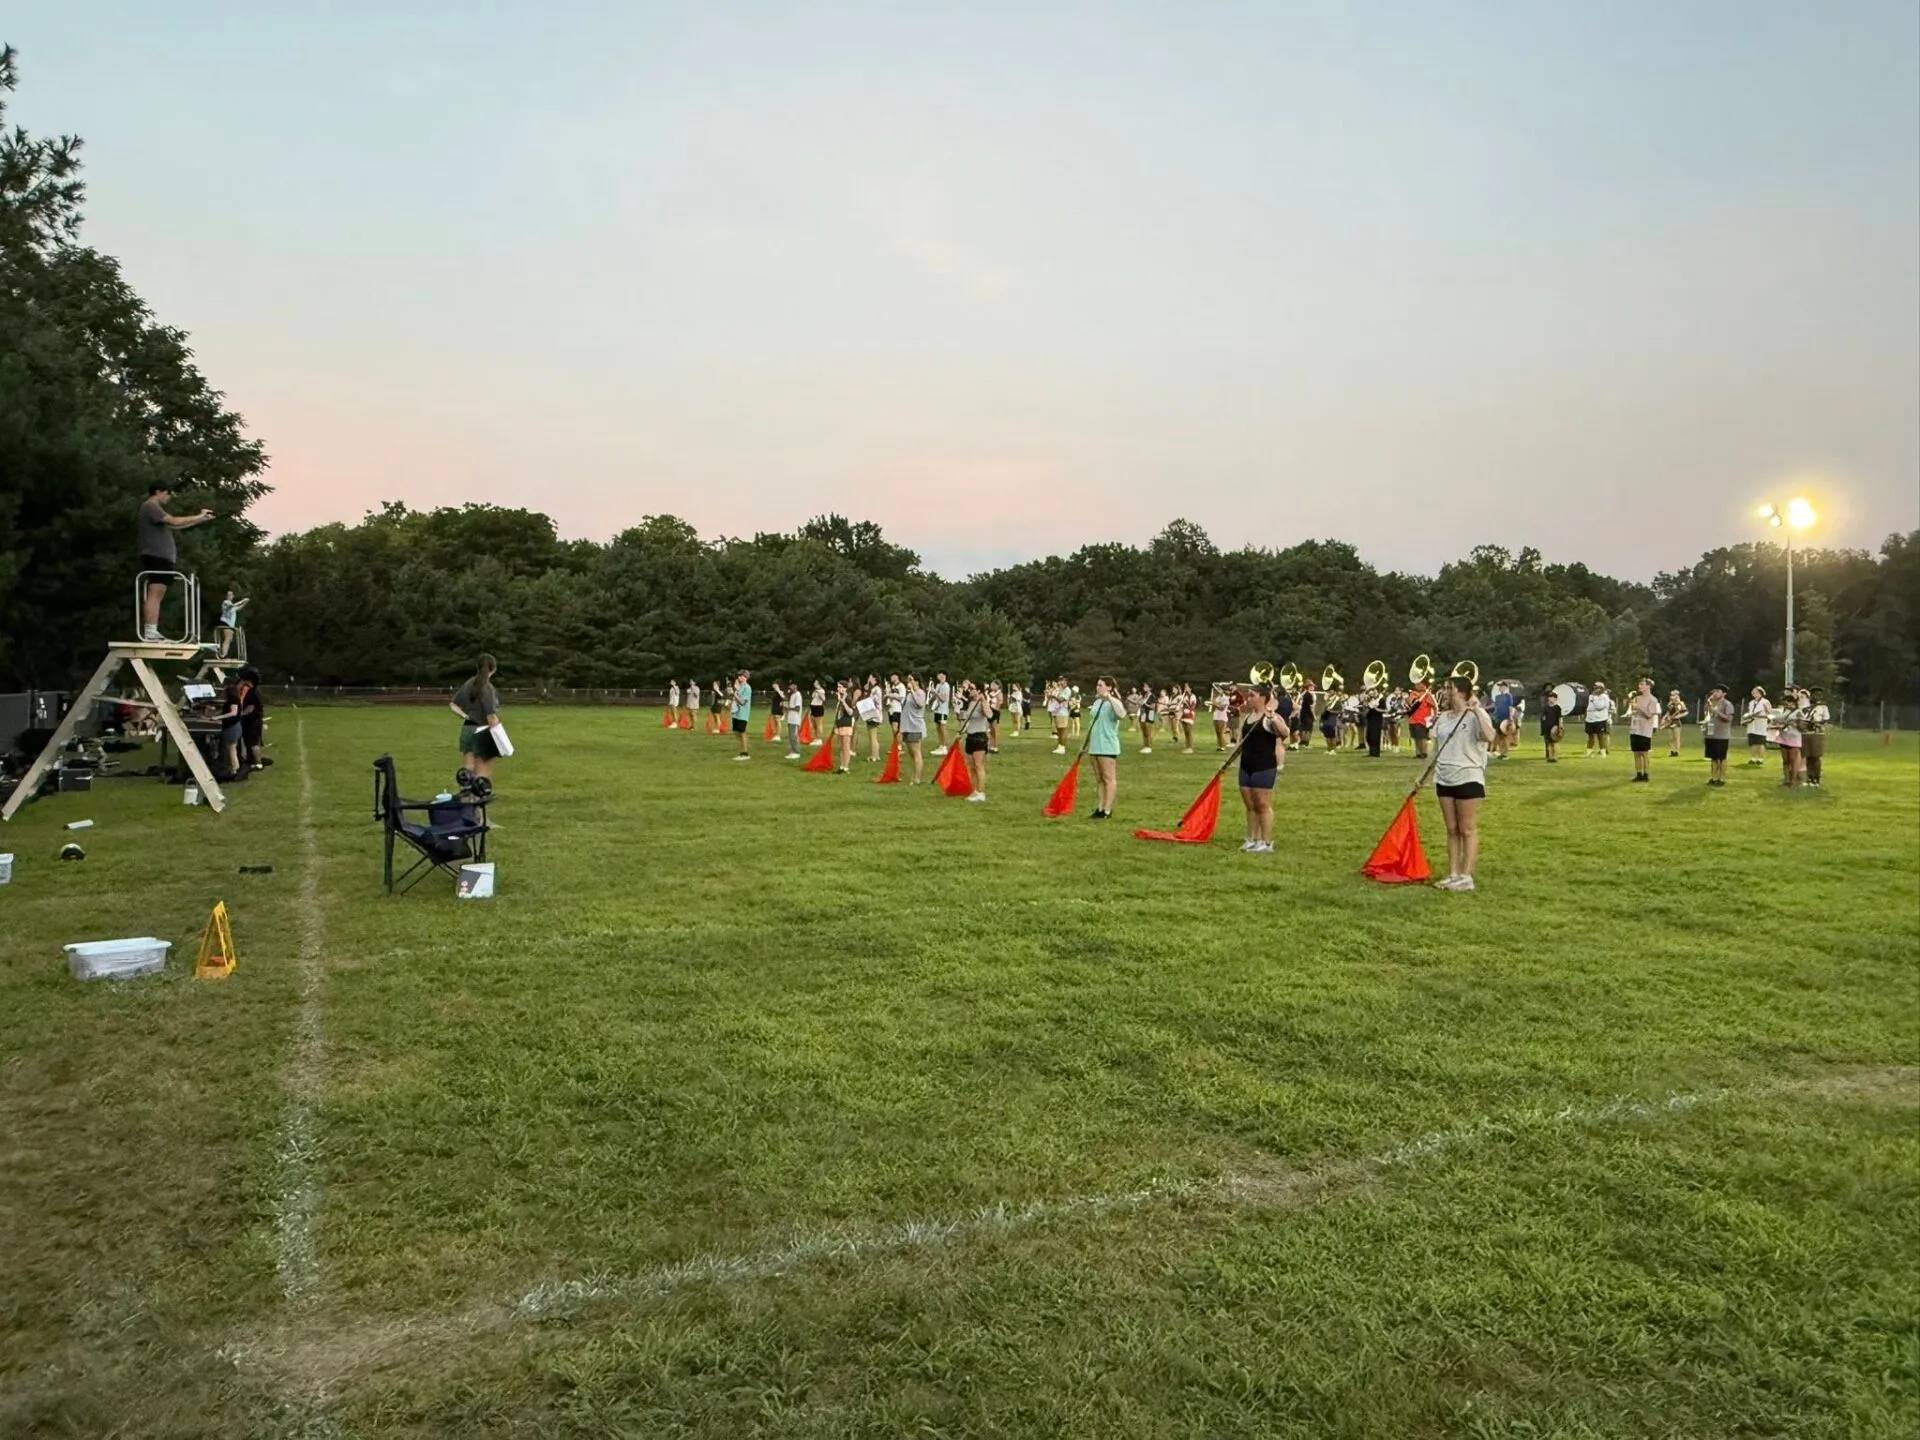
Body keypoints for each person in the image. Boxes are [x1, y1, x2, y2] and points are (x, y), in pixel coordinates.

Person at [1430, 674, 1494, 892]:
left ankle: (1466, 876)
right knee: (1451, 828)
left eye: (1450, 688)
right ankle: (1453, 873)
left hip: (1468, 776)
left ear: (1463, 692)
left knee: (1466, 828)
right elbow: (1436, 748)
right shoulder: (1443, 717)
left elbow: (1490, 736)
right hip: (1444, 776)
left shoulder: (1476, 715)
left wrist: (1476, 710)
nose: (1446, 692)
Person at [137, 482, 214, 642]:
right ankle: (150, 631)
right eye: (168, 494)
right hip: (156, 555)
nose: (169, 498)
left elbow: (175, 527)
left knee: (159, 593)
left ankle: (152, 630)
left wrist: (200, 520)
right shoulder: (151, 506)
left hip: (162, 557)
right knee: (155, 592)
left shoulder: (157, 511)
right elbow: (174, 521)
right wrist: (199, 515)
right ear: (158, 491)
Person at [1236, 683, 1290, 853]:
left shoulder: (1270, 717)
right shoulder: (1247, 717)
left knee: (1262, 804)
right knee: (1250, 805)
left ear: (1261, 697)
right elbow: (1240, 742)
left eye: (1252, 695)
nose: (1249, 698)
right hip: (1246, 765)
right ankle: (1252, 838)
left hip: (1264, 766)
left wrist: (1274, 719)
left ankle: (1266, 842)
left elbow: (1285, 732)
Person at [450, 654, 503, 782]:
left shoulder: (469, 683)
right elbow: (490, 717)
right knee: (482, 775)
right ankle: (478, 801)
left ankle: (466, 800)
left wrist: (466, 716)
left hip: (468, 728)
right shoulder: (488, 688)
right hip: (483, 730)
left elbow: (453, 705)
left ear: (477, 667)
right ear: (494, 669)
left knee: (467, 772)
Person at [1086, 677, 1122, 819]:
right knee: (1099, 779)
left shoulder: (1114, 702)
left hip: (1107, 745)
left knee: (1109, 778)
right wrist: (1086, 743)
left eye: (1101, 685)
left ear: (1109, 688)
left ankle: (1107, 809)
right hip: (1094, 744)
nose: (1097, 687)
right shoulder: (1096, 702)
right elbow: (1092, 723)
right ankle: (1100, 808)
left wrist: (1110, 699)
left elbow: (1121, 714)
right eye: (1097, 685)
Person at [958, 682, 992, 801]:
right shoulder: (971, 703)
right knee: (971, 766)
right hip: (970, 736)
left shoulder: (982, 702)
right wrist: (961, 733)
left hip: (979, 737)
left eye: (972, 688)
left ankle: (981, 792)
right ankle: (974, 790)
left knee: (978, 765)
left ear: (978, 690)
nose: (969, 690)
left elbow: (989, 715)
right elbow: (968, 720)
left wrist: (983, 702)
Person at [1627, 678, 1661, 782]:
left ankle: (1645, 774)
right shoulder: (1637, 698)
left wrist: (1638, 707)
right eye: (1639, 684)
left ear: (1648, 686)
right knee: (1636, 753)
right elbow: (1634, 711)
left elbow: (1649, 715)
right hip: (1635, 728)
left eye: (1642, 684)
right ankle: (1638, 773)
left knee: (1644, 753)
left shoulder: (1652, 700)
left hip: (1645, 730)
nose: (1639, 686)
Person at [1702, 684, 1734, 786]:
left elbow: (1729, 719)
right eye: (1714, 691)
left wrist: (1717, 712)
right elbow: (1707, 714)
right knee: (1713, 758)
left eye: (1718, 691)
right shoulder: (1710, 703)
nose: (1715, 693)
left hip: (1722, 735)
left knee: (1722, 758)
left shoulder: (1727, 704)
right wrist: (1709, 704)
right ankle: (1713, 777)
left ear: (1724, 693)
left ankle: (1722, 778)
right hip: (1711, 734)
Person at [899, 674, 929, 782]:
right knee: (911, 753)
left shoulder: (920, 693)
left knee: (916, 752)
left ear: (916, 681)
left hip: (915, 726)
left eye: (911, 680)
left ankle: (917, 778)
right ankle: (914, 774)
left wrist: (912, 691)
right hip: (907, 726)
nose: (908, 681)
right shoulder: (909, 694)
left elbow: (920, 704)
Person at [1775, 689, 1805, 787]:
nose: (1786, 705)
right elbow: (1778, 719)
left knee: (1793, 759)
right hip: (1783, 737)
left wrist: (1795, 724)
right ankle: (1786, 779)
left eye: (1788, 703)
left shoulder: (1799, 712)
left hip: (1794, 738)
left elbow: (1802, 727)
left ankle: (1793, 780)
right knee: (1785, 760)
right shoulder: (1786, 711)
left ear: (1794, 703)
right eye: (1785, 704)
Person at [238, 665, 266, 770]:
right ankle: (251, 761)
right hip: (251, 720)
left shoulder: (252, 692)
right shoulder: (253, 690)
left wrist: (240, 715)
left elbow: (250, 708)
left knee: (254, 742)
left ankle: (258, 763)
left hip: (253, 720)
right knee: (249, 742)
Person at [1803, 688, 1830, 787]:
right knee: (1808, 756)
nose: (1815, 697)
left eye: (1817, 695)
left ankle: (1816, 778)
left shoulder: (1823, 708)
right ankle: (1809, 777)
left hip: (1817, 733)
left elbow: (1825, 719)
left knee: (1816, 757)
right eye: (1813, 695)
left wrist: (1816, 723)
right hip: (1807, 732)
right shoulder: (1808, 708)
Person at [1583, 682, 1615, 758]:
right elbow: (1589, 707)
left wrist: (1594, 699)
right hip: (1590, 719)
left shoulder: (1604, 697)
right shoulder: (1591, 696)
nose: (1595, 689)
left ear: (1601, 688)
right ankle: (1589, 751)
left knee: (1601, 736)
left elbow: (1599, 706)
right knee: (1590, 736)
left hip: (1600, 719)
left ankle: (1603, 752)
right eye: (1594, 687)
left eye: (1597, 688)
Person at [215, 589, 248, 658]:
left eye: (231, 595)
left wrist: (245, 603)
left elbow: (238, 608)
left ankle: (223, 654)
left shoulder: (232, 605)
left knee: (229, 639)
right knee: (227, 638)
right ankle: (222, 654)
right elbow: (232, 606)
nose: (230, 596)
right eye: (229, 595)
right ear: (226, 596)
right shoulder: (226, 602)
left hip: (230, 624)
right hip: (225, 622)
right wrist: (242, 601)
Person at [833, 682, 858, 772]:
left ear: (845, 688)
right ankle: (842, 765)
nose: (838, 689)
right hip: (840, 723)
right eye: (838, 687)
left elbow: (851, 712)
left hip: (846, 723)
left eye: (840, 687)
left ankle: (846, 766)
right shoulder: (841, 698)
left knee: (846, 746)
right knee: (841, 746)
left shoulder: (847, 698)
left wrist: (843, 701)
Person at [1405, 680, 1432, 760]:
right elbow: (1410, 704)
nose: (1416, 685)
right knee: (1415, 737)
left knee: (1422, 737)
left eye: (1419, 684)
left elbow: (1433, 705)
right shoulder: (1413, 694)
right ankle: (1418, 753)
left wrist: (1430, 717)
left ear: (1424, 685)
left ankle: (1424, 753)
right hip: (1413, 719)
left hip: (1422, 720)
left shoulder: (1427, 695)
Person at [1744, 687, 1772, 765]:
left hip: (1761, 724)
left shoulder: (1765, 702)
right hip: (1752, 724)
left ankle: (1760, 758)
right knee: (1753, 742)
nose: (1753, 693)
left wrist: (1762, 715)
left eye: (1755, 692)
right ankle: (1753, 758)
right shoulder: (1751, 702)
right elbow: (1750, 712)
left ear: (1760, 693)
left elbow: (1769, 713)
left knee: (1760, 742)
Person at [729, 670, 753, 760]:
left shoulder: (747, 688)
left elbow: (743, 702)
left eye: (743, 676)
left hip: (743, 713)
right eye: (739, 676)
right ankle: (742, 750)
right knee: (736, 732)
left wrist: (734, 694)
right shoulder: (739, 687)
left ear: (746, 678)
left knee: (742, 732)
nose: (740, 678)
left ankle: (745, 753)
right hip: (736, 713)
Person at [930, 672, 953, 753]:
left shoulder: (946, 686)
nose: (940, 676)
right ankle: (941, 746)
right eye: (939, 675)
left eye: (942, 675)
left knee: (942, 728)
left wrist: (935, 693)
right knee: (938, 728)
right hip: (937, 709)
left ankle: (945, 747)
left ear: (945, 676)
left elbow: (943, 699)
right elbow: (935, 696)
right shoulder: (938, 685)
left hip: (943, 710)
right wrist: (931, 695)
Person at [1662, 689, 1688, 757]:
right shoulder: (1670, 704)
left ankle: (1677, 751)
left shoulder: (1681, 703)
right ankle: (1672, 751)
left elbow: (1685, 712)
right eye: (1671, 695)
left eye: (1673, 695)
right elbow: (1668, 712)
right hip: (1670, 722)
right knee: (1671, 738)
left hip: (1676, 722)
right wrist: (1664, 718)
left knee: (1676, 737)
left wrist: (1677, 716)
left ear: (1677, 695)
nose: (1671, 696)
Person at [784, 682, 804, 758]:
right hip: (790, 719)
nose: (790, 687)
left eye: (791, 686)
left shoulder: (798, 695)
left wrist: (788, 708)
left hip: (795, 719)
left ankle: (796, 752)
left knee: (794, 736)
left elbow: (797, 708)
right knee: (790, 736)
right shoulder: (792, 695)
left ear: (795, 686)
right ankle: (792, 751)